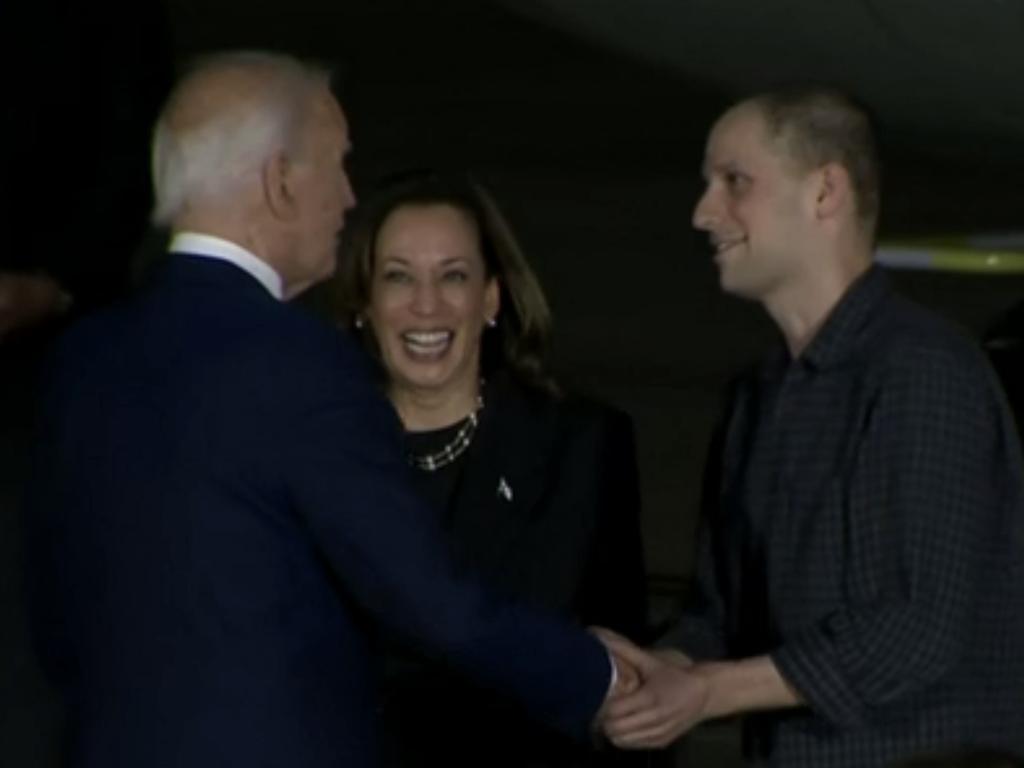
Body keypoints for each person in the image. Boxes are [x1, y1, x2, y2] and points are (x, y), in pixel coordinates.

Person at [26, 51, 632, 768]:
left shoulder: (82, 356)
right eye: (338, 164)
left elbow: (55, 619)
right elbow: (429, 604)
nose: (349, 197)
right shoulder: (303, 363)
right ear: (281, 180)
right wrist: (605, 676)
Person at [596, 89, 1024, 766]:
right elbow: (722, 614)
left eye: (735, 182)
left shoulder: (924, 374)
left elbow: (918, 629)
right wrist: (657, 670)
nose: (705, 213)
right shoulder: (754, 400)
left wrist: (709, 692)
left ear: (826, 193)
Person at [335, 171, 648, 766]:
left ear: (492, 298)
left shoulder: (579, 445)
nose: (426, 305)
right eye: (398, 277)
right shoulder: (318, 451)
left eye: (453, 276)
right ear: (363, 305)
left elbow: (621, 678)